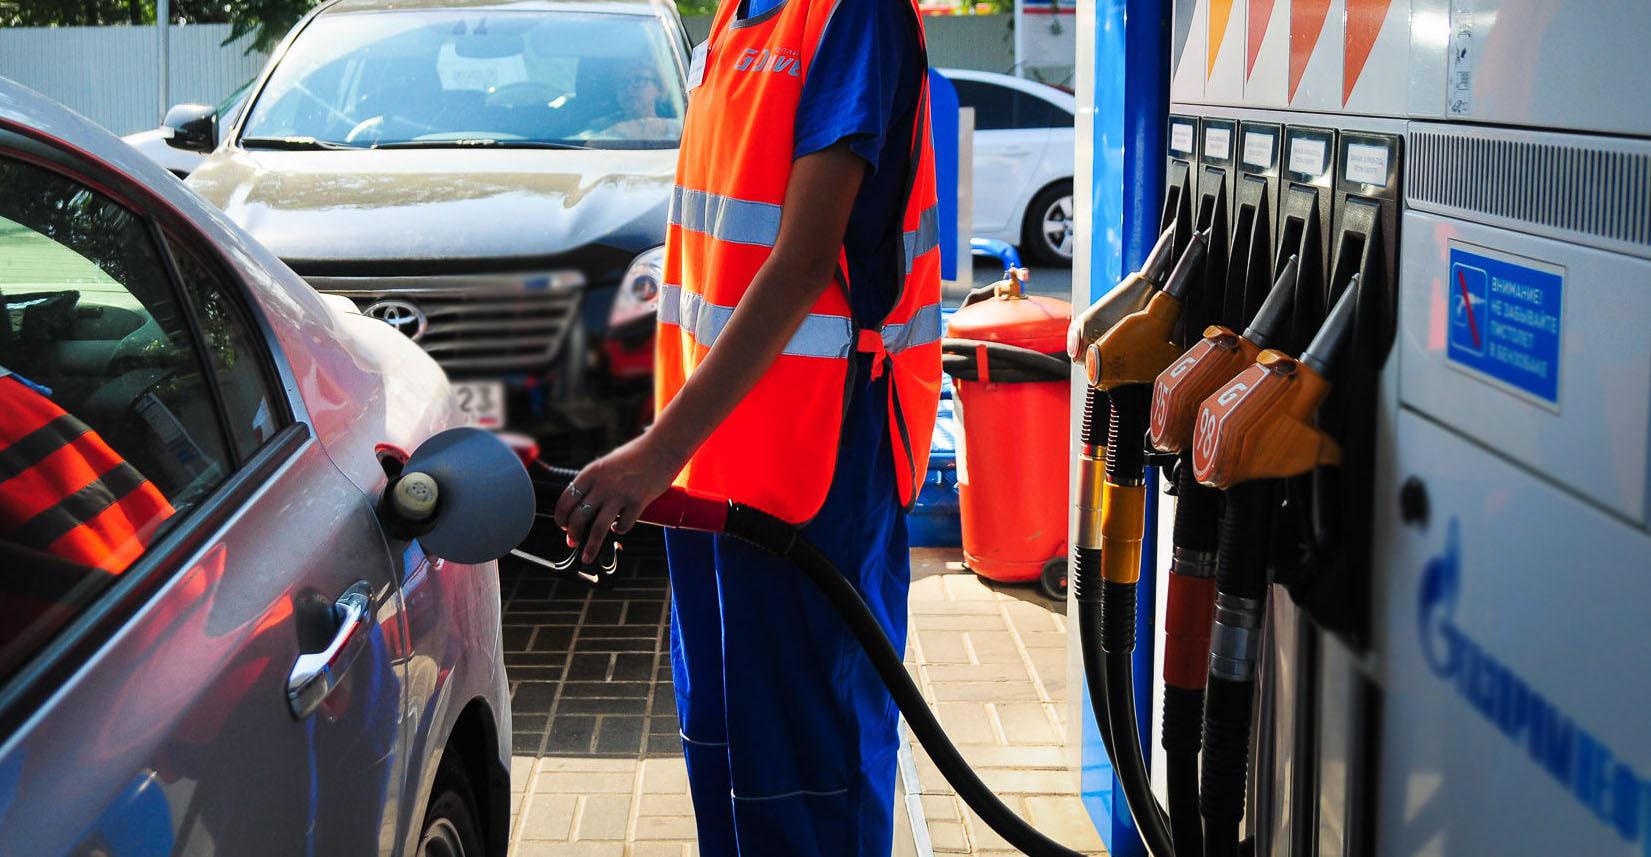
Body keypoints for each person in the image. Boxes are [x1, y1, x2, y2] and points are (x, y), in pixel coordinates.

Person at [553, 0, 940, 852]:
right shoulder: (737, 17)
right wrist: (668, 449)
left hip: (817, 463)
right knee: (730, 755)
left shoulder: (850, 15)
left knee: (810, 772)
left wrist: (656, 450)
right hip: (716, 464)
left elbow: (803, 260)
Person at [589, 66, 682, 140]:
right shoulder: (600, 134)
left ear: (659, 88)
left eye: (639, 80)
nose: (629, 89)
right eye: (623, 82)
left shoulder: (680, 131)